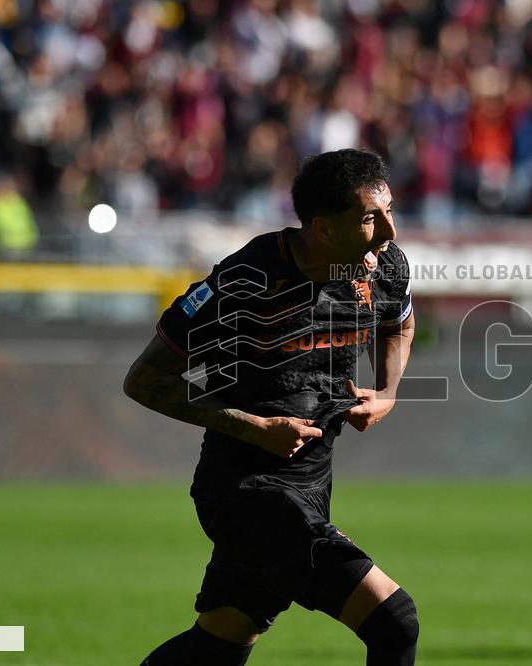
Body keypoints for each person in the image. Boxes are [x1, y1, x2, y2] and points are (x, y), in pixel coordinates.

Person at [123, 148, 418, 665]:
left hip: (312, 484)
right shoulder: (244, 282)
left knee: (217, 645)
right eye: (371, 218)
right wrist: (252, 426)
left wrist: (388, 389)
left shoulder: (380, 265)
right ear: (324, 228)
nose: (390, 231)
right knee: (394, 622)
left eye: (390, 210)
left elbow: (400, 322)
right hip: (246, 492)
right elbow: (145, 379)